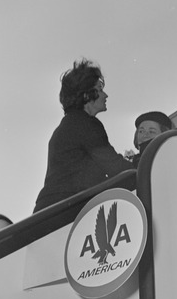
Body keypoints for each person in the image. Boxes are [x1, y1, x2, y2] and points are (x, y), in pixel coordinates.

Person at [33, 59, 132, 212]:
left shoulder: (66, 126)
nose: (105, 95)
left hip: (48, 212)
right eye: (100, 89)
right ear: (87, 95)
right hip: (64, 214)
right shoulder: (86, 124)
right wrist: (147, 167)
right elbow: (115, 167)